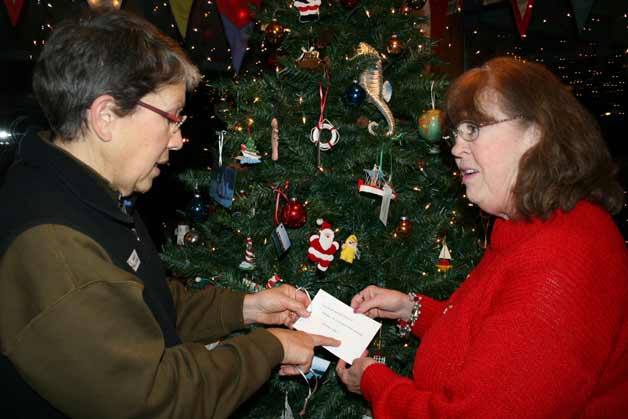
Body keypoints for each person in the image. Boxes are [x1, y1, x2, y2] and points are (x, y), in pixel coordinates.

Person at [0, 8, 338, 419]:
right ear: (106, 117)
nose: (178, 140)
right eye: (171, 118)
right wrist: (272, 347)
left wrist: (246, 307)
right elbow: (159, 397)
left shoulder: (86, 194)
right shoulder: (53, 250)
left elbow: (141, 302)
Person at [336, 57, 628, 418]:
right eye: (456, 133)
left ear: (536, 132)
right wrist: (412, 310)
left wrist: (373, 382)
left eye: (473, 129)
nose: (457, 148)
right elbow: (493, 336)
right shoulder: (521, 227)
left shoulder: (565, 255)